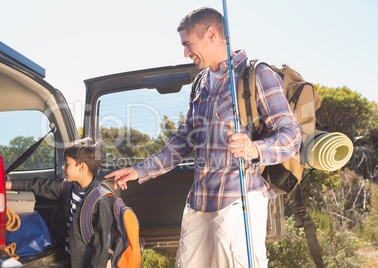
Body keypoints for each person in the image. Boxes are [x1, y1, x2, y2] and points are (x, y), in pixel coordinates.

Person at [106, 6, 301, 268]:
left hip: (237, 201)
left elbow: (291, 136)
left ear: (211, 34)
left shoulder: (257, 75)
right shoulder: (201, 84)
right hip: (198, 203)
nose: (185, 53)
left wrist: (254, 148)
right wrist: (140, 171)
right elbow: (183, 141)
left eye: (188, 44)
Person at [6, 138, 112, 268]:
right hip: (68, 258)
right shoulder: (68, 188)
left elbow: (101, 248)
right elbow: (41, 185)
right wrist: (8, 184)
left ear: (82, 167)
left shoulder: (99, 201)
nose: (63, 167)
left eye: (67, 164)